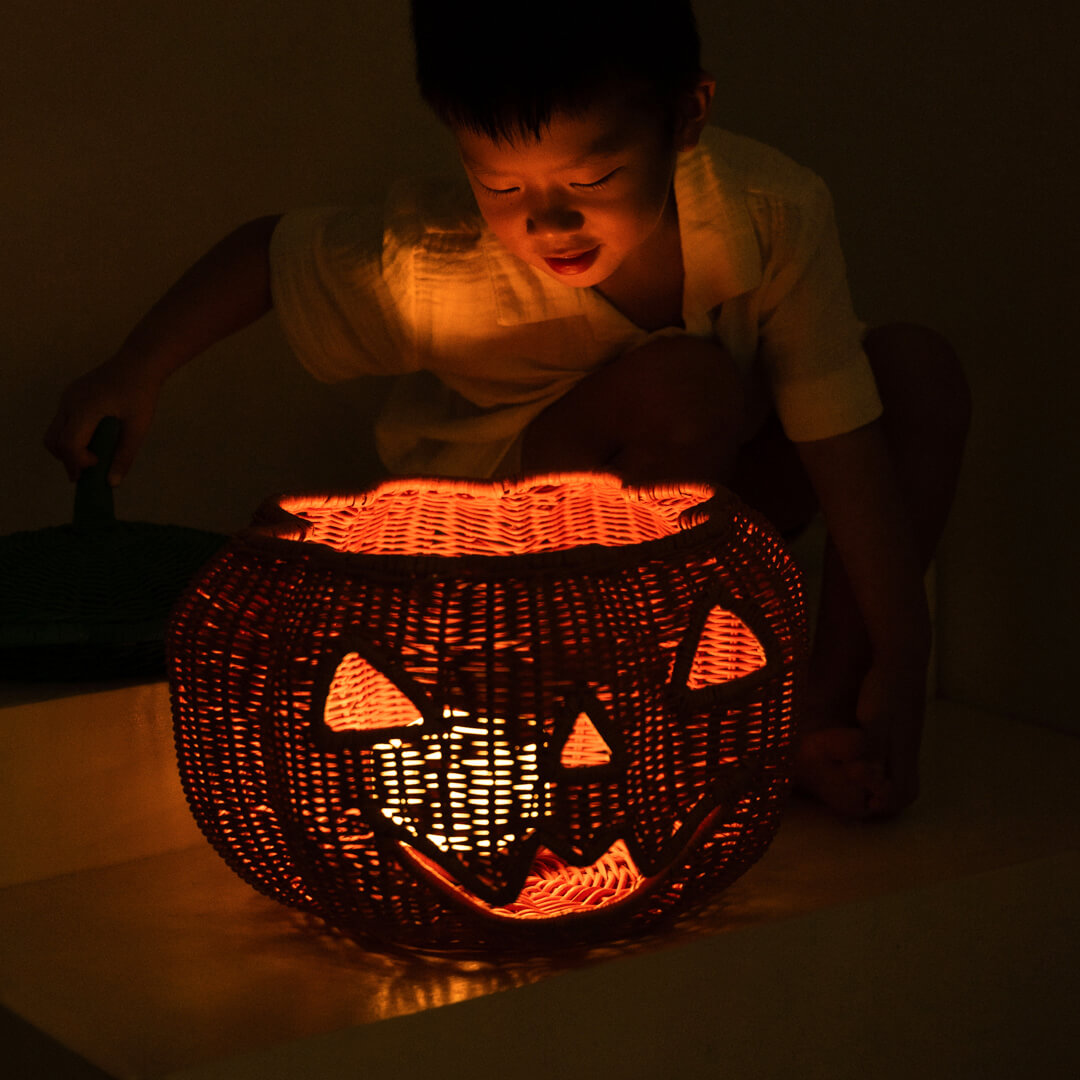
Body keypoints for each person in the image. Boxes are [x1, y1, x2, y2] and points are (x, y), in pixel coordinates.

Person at [44, 0, 970, 818]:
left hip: (691, 515)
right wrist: (137, 369)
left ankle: (821, 717)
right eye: (504, 187)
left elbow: (836, 434)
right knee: (684, 382)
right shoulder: (440, 262)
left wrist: (905, 646)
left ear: (687, 116)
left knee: (913, 371)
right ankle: (643, 740)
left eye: (593, 180)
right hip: (497, 568)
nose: (549, 223)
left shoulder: (770, 211)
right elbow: (269, 259)